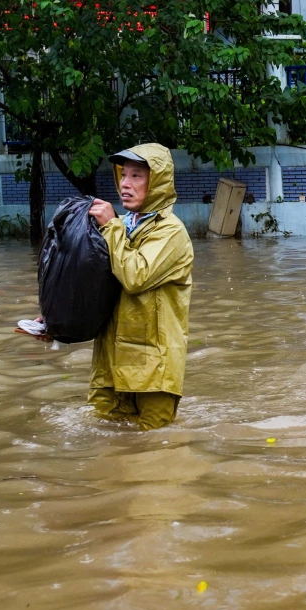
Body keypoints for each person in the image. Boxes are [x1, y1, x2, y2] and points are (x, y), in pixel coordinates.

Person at [86, 144, 194, 430]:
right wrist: (56, 320)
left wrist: (110, 227)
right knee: (105, 452)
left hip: (153, 371)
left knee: (155, 453)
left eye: (137, 176)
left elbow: (135, 277)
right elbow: (90, 285)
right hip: (110, 365)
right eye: (123, 175)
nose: (125, 184)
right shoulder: (118, 226)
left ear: (156, 181)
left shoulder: (171, 232)